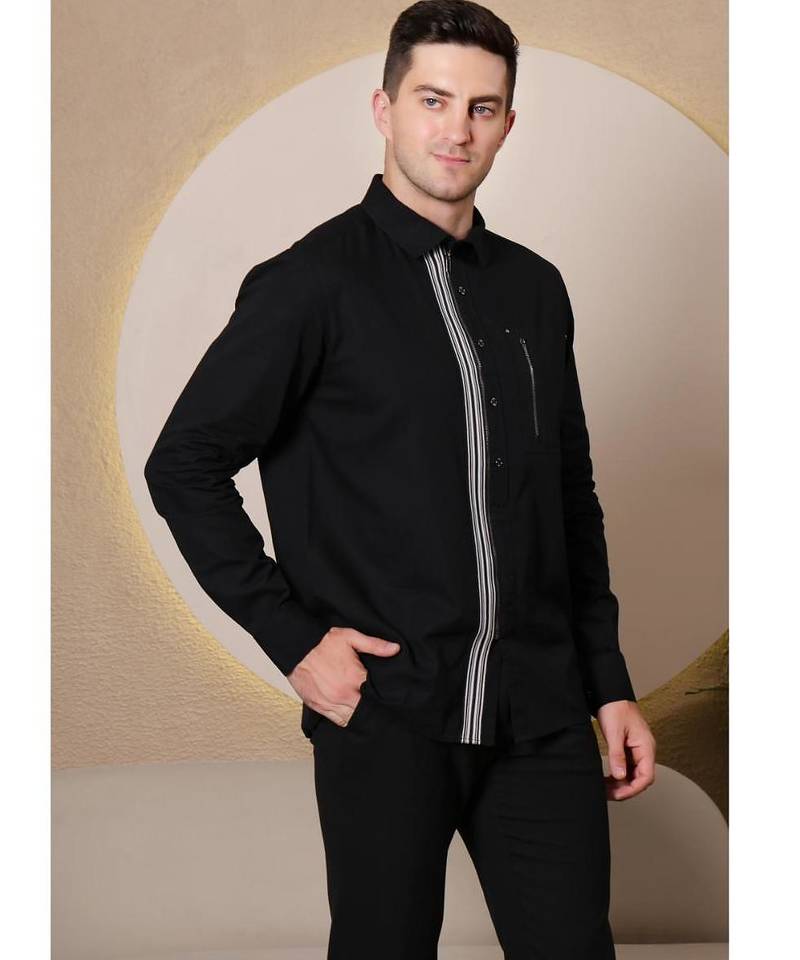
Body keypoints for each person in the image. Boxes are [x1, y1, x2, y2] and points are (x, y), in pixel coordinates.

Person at [144, 1, 657, 956]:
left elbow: (569, 497)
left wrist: (608, 685)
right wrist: (295, 640)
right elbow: (183, 464)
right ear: (383, 109)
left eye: (482, 107)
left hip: (541, 709)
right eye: (433, 100)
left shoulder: (535, 289)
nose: (456, 129)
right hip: (388, 712)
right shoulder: (310, 283)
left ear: (507, 124)